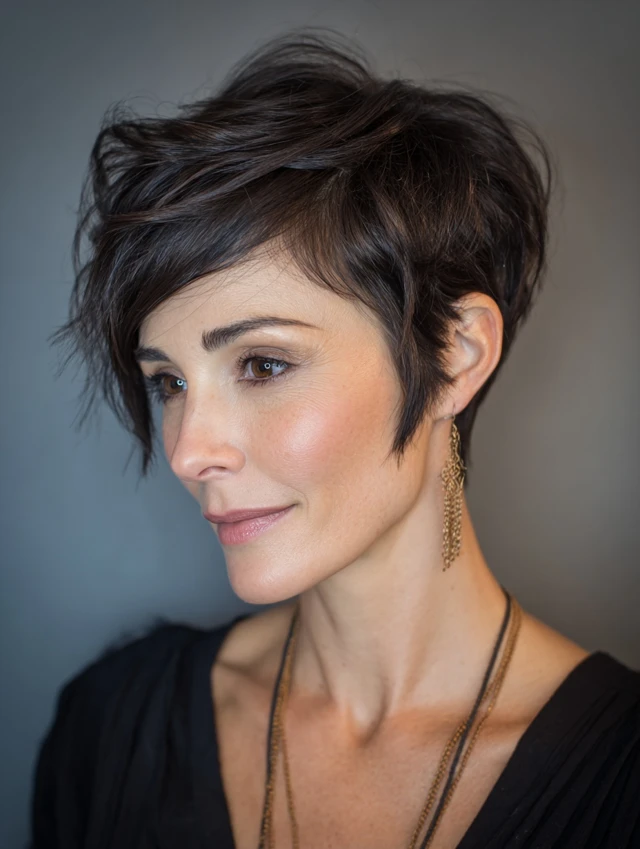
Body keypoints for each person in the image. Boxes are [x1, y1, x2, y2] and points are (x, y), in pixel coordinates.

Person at [29, 30, 639, 849]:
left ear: (455, 356)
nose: (188, 451)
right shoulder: (110, 730)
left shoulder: (621, 783)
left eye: (263, 364)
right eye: (168, 382)